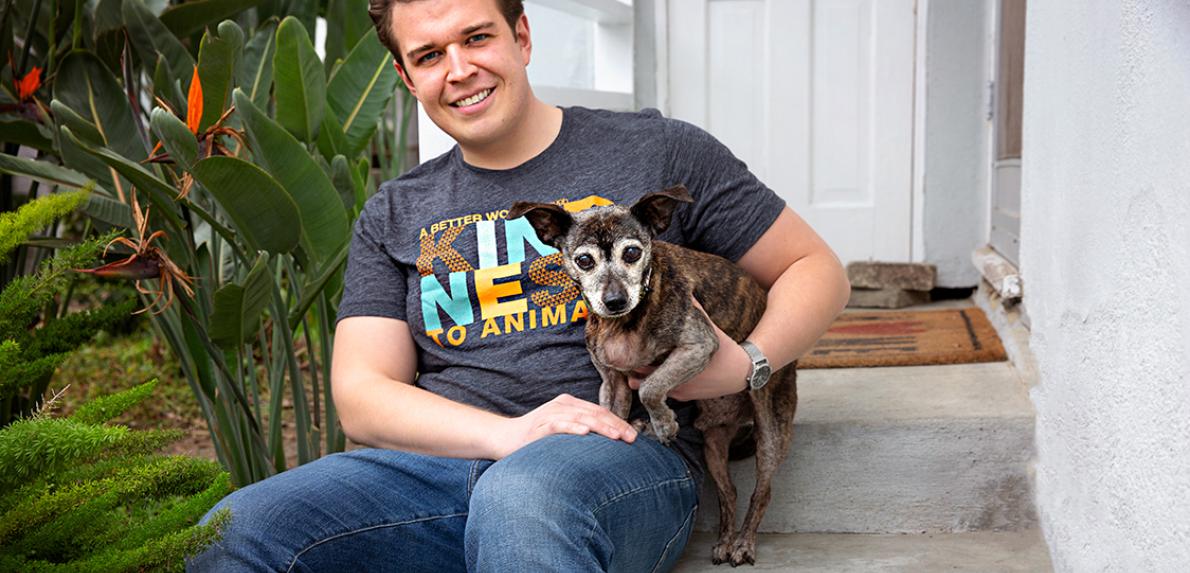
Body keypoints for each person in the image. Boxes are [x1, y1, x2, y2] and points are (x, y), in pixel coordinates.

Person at [188, 0, 850, 570]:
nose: (459, 69)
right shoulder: (395, 209)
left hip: (608, 462)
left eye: (477, 37)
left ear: (522, 37)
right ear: (405, 77)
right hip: (434, 471)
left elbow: (814, 269)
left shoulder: (658, 149)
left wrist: (747, 362)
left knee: (523, 501)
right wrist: (506, 435)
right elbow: (361, 394)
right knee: (230, 532)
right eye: (429, 55)